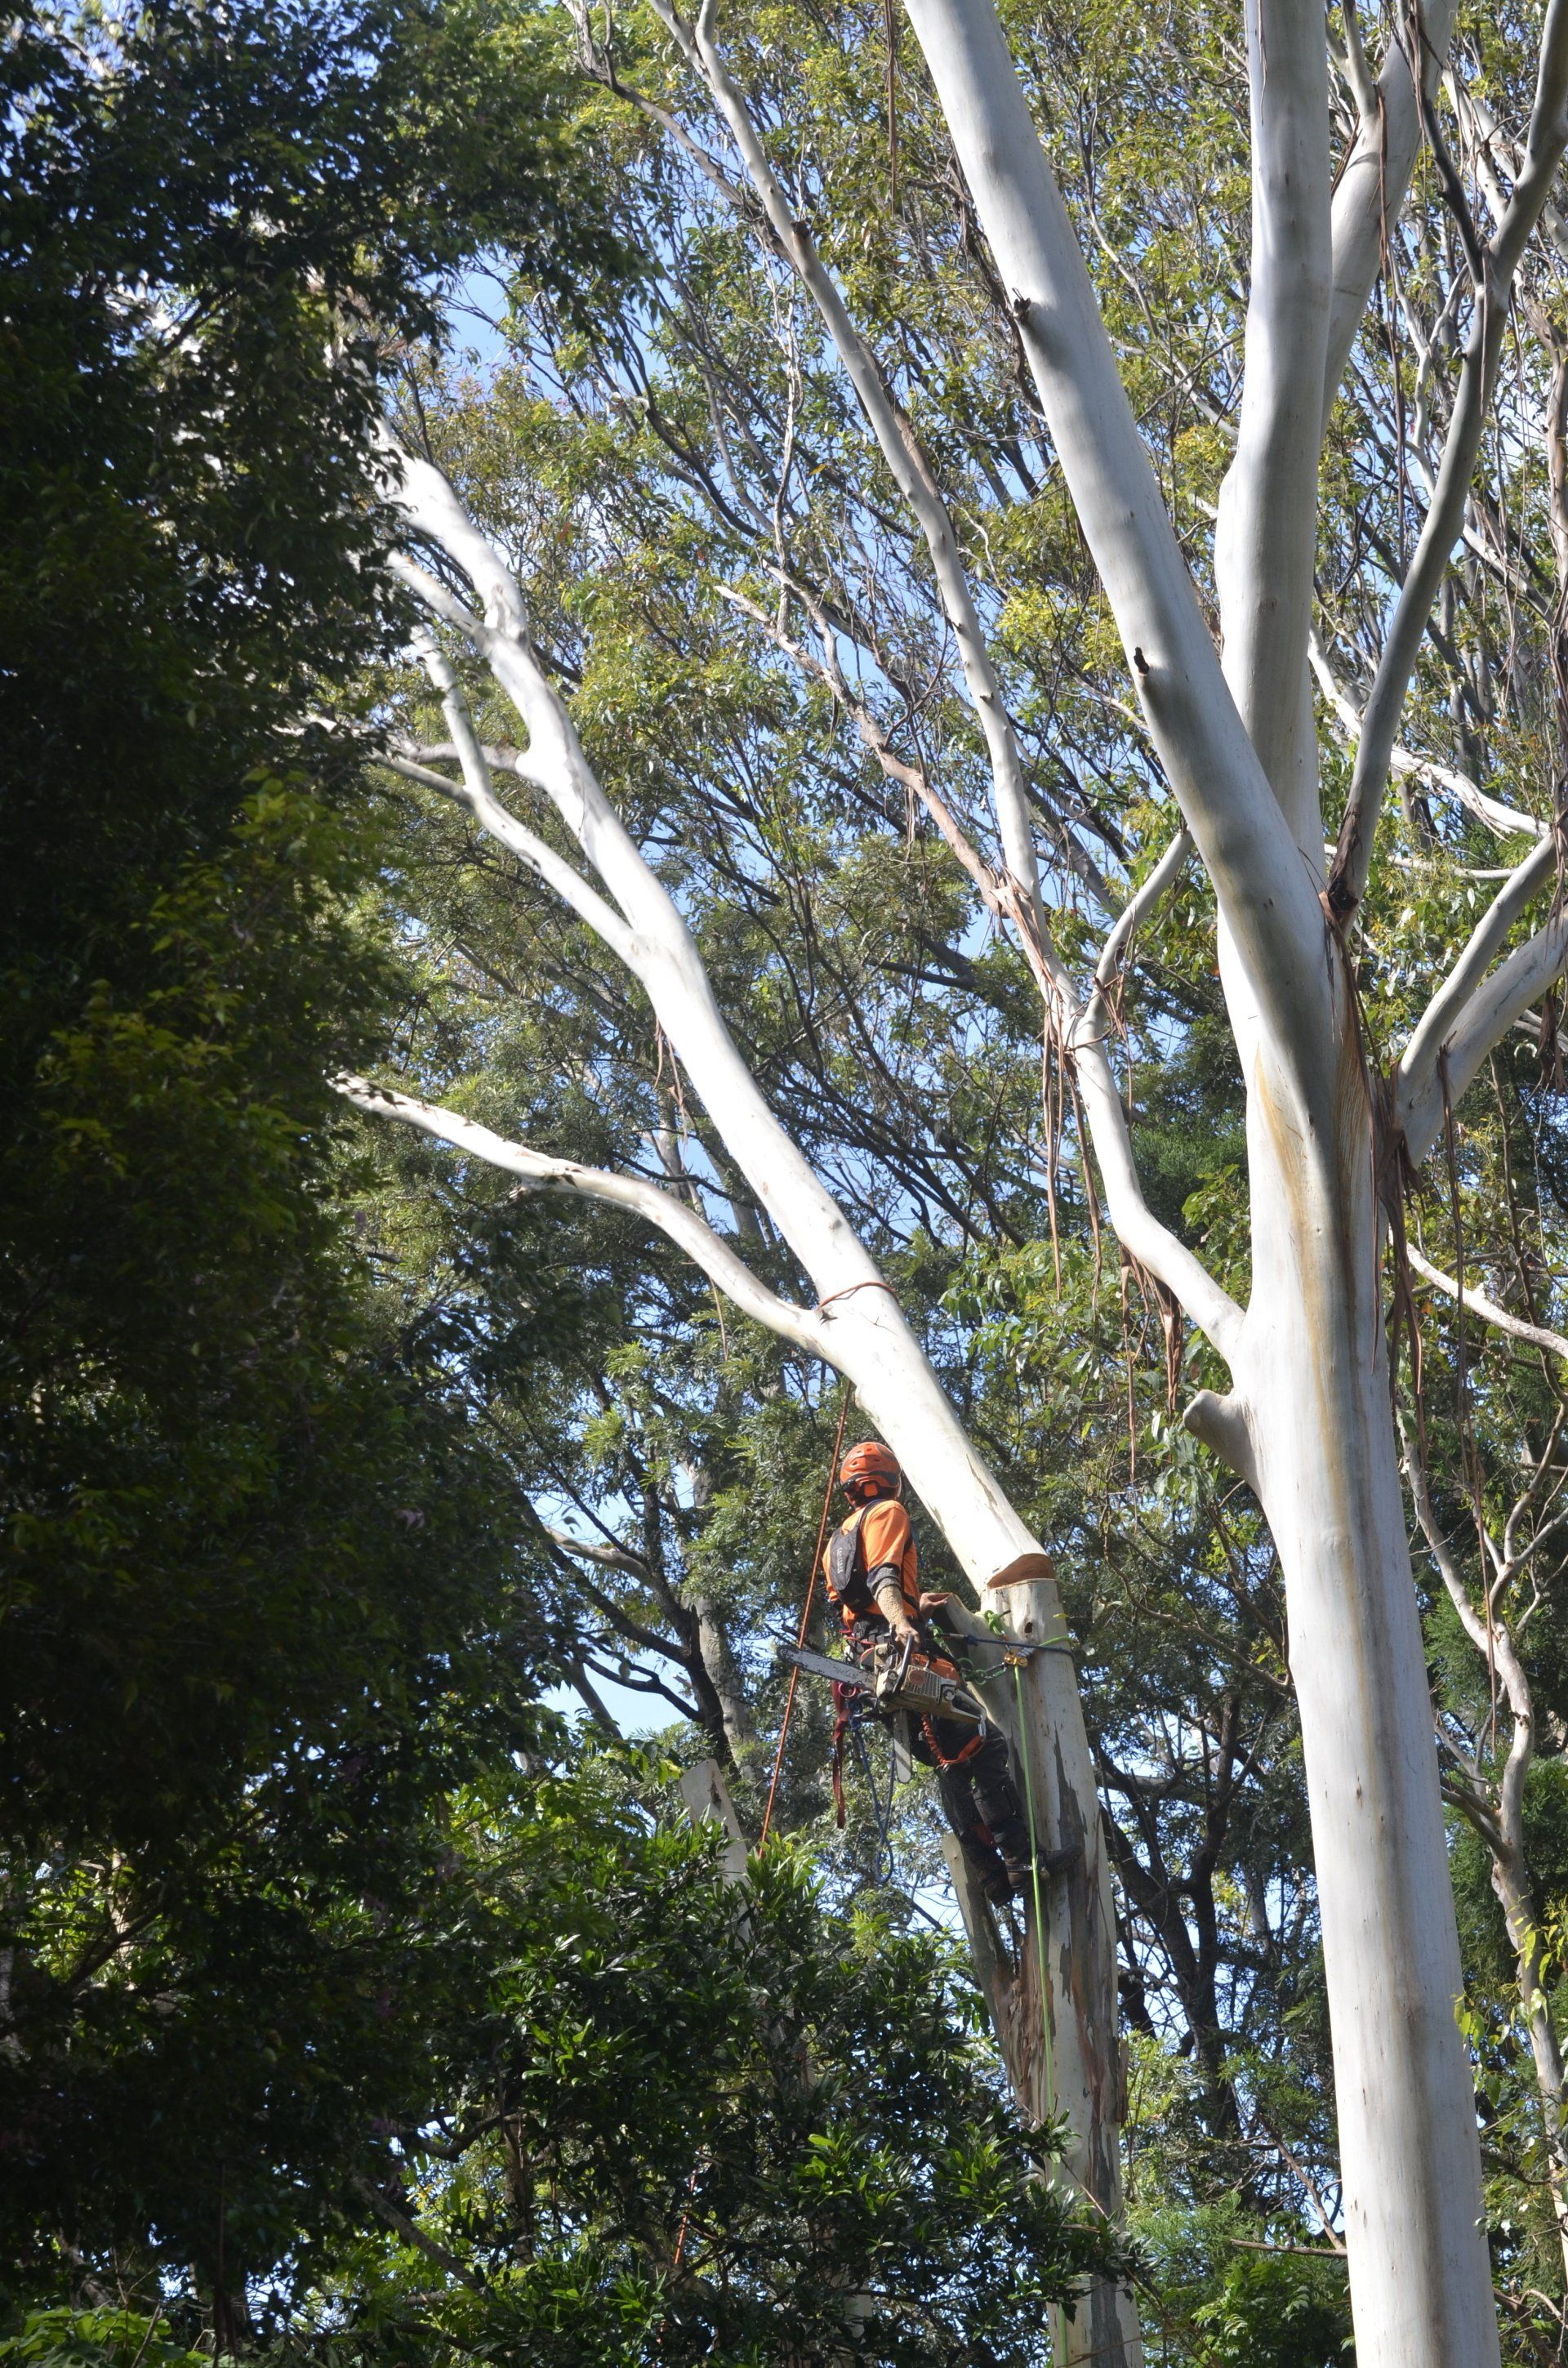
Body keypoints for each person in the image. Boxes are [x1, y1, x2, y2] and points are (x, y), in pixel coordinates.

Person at [822, 1439, 1036, 1906]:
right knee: (984, 1743)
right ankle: (1021, 1861)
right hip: (901, 1654)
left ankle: (994, 1878)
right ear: (889, 1478)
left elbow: (854, 1605)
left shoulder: (838, 1537)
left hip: (869, 1661)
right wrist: (902, 1621)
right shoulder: (887, 1513)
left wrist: (914, 1607)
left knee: (951, 1764)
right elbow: (882, 1578)